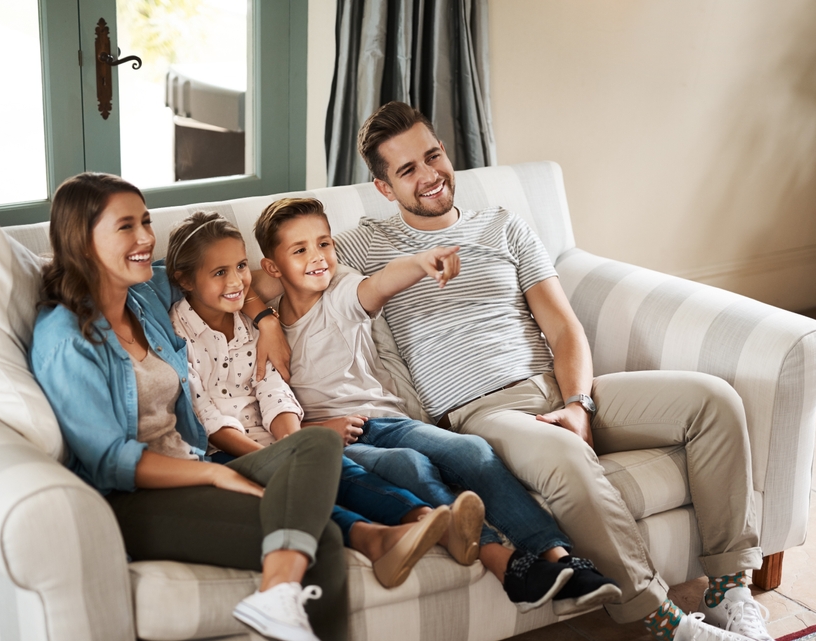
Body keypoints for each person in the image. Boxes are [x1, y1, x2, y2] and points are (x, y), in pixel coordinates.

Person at [331, 100, 771, 641]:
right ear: (383, 187)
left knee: (713, 401)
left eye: (433, 155)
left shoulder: (503, 226)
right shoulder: (363, 245)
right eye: (407, 170)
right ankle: (668, 622)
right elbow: (278, 270)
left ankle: (731, 592)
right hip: (483, 412)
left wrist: (578, 404)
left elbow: (563, 328)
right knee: (565, 458)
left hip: (558, 388)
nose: (429, 176)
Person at [252, 197, 621, 615]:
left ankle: (560, 559)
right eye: (300, 250)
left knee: (472, 451)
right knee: (409, 467)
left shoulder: (342, 291)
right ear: (273, 267)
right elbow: (233, 284)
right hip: (338, 441)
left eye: (324, 244)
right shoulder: (263, 328)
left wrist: (421, 262)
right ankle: (510, 566)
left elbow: (382, 282)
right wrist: (264, 320)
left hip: (386, 419)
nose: (318, 258)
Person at [30, 172, 347, 641]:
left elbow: (229, 275)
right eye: (125, 227)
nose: (144, 239)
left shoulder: (144, 294)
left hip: (191, 459)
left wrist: (265, 320)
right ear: (82, 240)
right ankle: (280, 596)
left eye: (146, 221)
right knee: (322, 539)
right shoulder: (65, 340)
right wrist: (215, 474)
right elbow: (110, 461)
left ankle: (277, 597)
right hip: (132, 500)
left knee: (316, 443)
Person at [164, 210, 462, 590]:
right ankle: (373, 538)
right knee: (293, 490)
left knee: (341, 470)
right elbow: (202, 411)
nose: (238, 280)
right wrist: (270, 455)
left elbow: (271, 387)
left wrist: (292, 443)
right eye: (219, 272)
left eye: (240, 266)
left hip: (275, 438)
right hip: (225, 450)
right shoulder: (176, 331)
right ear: (184, 279)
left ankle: (425, 519)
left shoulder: (251, 321)